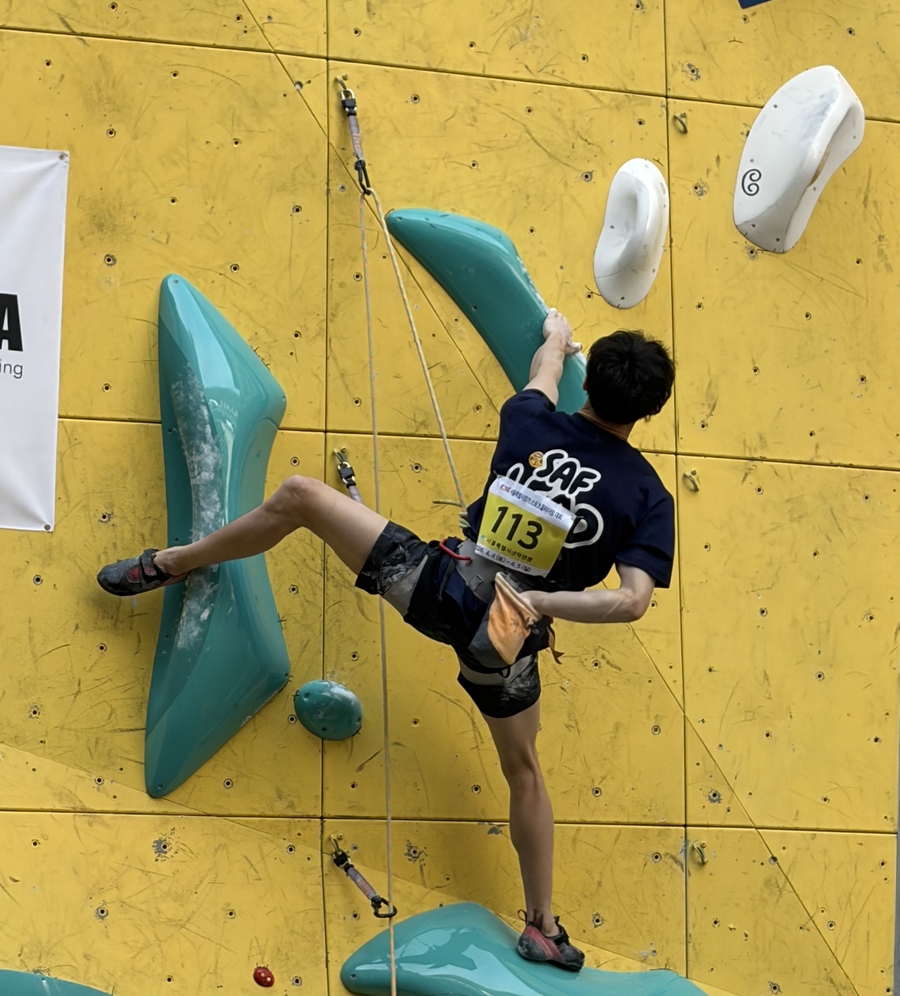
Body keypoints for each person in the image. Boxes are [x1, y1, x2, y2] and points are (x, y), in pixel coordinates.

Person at [98, 311, 675, 973]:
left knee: (300, 496)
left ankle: (170, 563)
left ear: (589, 383)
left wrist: (554, 335)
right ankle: (542, 925)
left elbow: (544, 371)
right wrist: (539, 604)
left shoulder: (530, 419)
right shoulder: (648, 495)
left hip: (435, 584)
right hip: (502, 640)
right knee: (524, 772)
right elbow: (630, 601)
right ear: (650, 410)